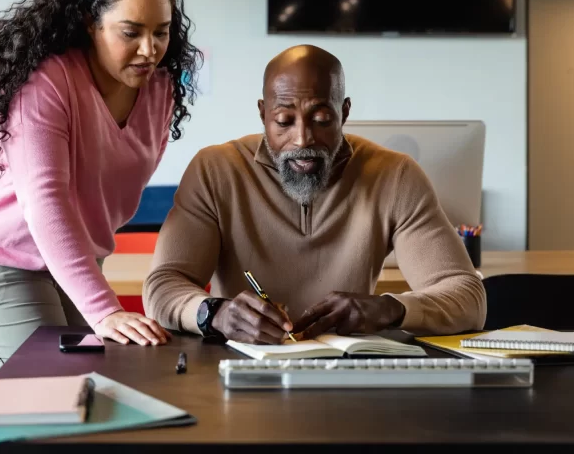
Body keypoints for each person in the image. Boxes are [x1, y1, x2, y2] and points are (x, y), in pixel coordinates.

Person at [0, 0, 202, 371]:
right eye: (131, 32)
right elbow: (46, 199)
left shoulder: (160, 88)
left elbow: (106, 190)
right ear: (92, 23)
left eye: (161, 32)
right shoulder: (47, 83)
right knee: (51, 387)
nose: (149, 49)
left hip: (63, 254)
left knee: (102, 379)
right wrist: (104, 310)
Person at [143, 45, 486, 344]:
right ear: (263, 114)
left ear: (345, 112)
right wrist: (214, 314)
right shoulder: (214, 170)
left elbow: (468, 298)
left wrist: (389, 307)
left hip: (347, 376)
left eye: (321, 119)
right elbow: (162, 286)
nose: (303, 139)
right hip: (238, 374)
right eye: (284, 121)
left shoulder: (395, 176)